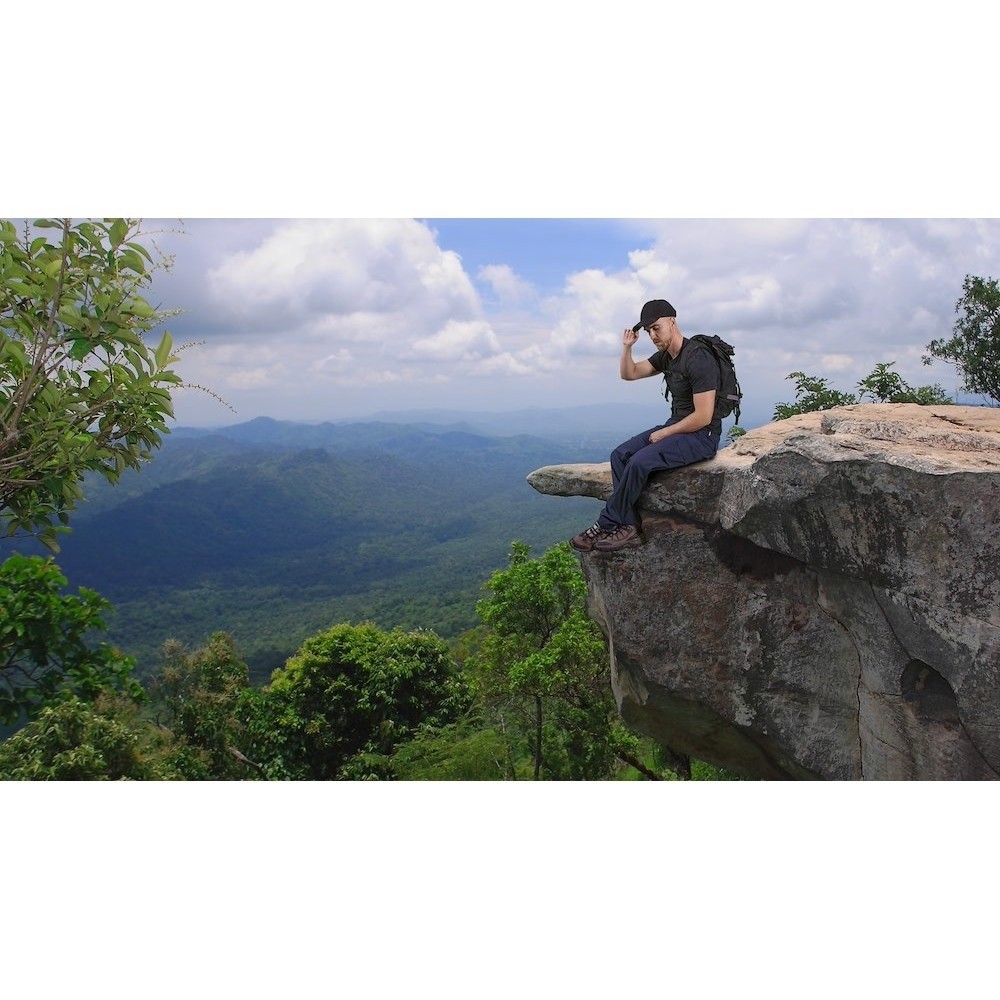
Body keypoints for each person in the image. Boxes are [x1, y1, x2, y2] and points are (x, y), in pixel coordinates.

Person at [570, 299, 722, 553]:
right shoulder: (667, 357)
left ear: (672, 321)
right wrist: (627, 347)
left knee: (639, 462)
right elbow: (629, 373)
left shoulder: (697, 357)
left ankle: (606, 523)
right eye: (649, 330)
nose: (652, 335)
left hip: (702, 436)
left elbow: (704, 416)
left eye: (656, 328)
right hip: (678, 427)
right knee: (620, 455)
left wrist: (665, 432)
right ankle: (630, 528)